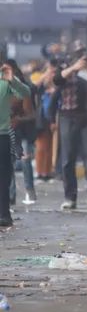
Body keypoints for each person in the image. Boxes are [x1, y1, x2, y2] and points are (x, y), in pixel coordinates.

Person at [48, 55, 87, 210]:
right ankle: (70, 197)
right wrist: (74, 68)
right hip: (68, 117)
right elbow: (57, 80)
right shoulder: (66, 70)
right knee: (67, 158)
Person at [0, 64, 32, 227]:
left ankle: (4, 214)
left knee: (3, 179)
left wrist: (13, 80)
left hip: (2, 135)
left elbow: (25, 93)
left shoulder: (5, 80)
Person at [5, 60, 38, 205]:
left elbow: (31, 114)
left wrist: (19, 119)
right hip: (7, 130)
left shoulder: (24, 90)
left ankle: (29, 189)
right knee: (8, 162)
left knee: (25, 160)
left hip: (24, 130)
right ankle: (10, 195)